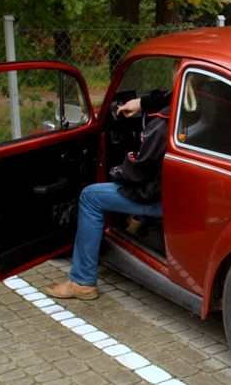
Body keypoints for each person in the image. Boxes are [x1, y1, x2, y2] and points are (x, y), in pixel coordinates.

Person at [45, 88, 173, 300]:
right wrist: (142, 103)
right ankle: (136, 223)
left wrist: (116, 171)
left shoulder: (164, 123)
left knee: (90, 197)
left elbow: (139, 172)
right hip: (188, 195)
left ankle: (82, 281)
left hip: (165, 199)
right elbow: (169, 96)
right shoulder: (204, 106)